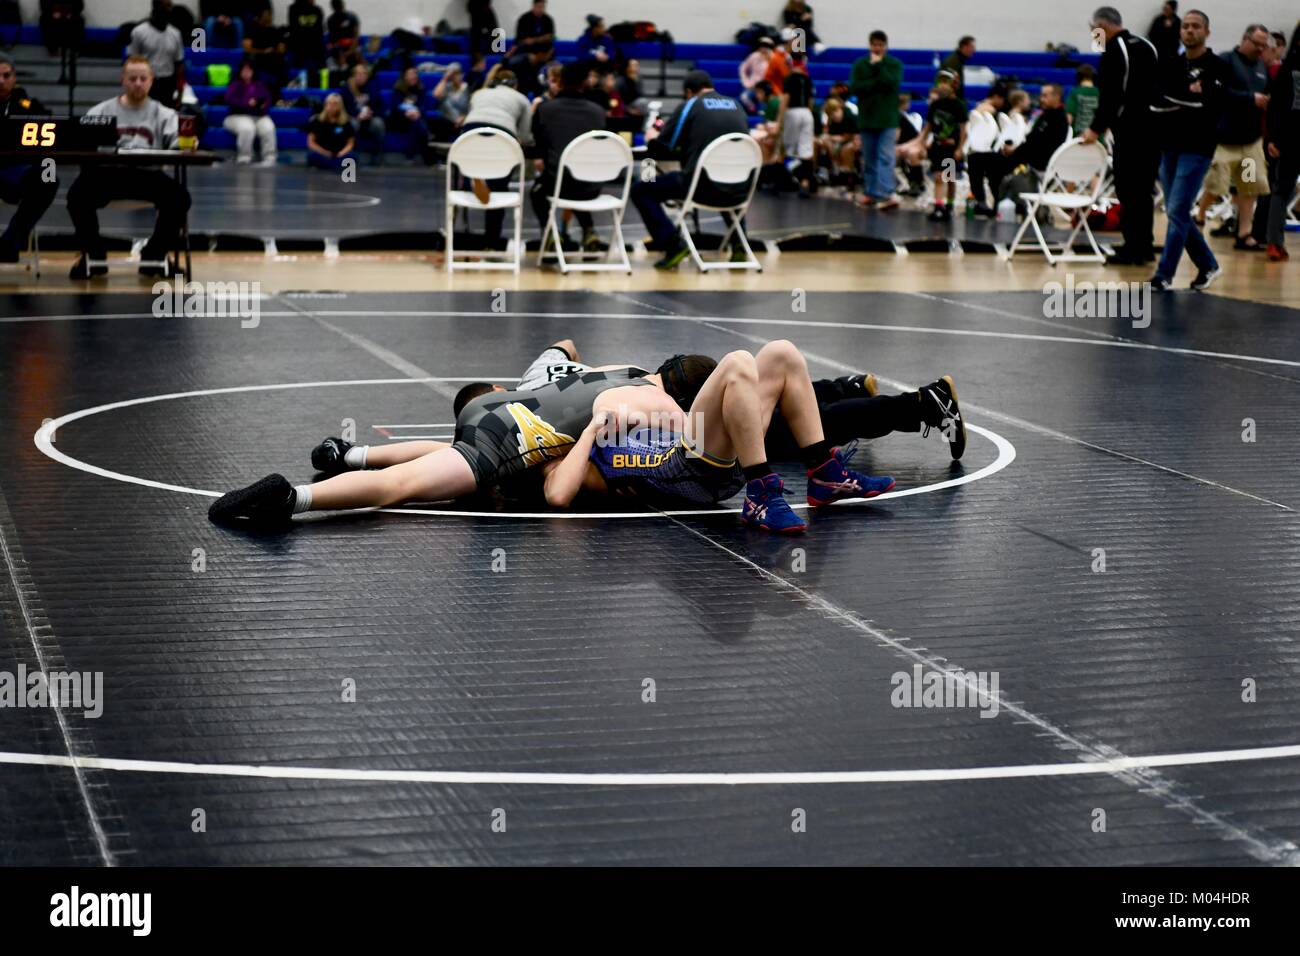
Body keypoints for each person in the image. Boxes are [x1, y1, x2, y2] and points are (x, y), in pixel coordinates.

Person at [209, 341, 895, 535]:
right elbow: (404, 480)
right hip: (658, 452)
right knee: (744, 366)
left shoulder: (545, 384)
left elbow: (415, 457)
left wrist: (350, 455)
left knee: (772, 354)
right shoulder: (624, 397)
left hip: (534, 414)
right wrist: (299, 495)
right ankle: (764, 488)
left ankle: (825, 471)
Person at [66, 56, 189, 280]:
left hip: (148, 176)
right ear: (123, 80)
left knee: (180, 198)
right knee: (76, 196)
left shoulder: (164, 114)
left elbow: (178, 144)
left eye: (143, 78)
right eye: (132, 78)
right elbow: (81, 144)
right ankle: (94, 256)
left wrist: (186, 143)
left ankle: (155, 256)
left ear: (151, 81)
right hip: (109, 176)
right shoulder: (100, 111)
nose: (138, 83)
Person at [630, 70, 754, 270]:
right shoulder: (736, 105)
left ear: (689, 92)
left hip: (702, 187)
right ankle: (739, 243)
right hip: (740, 189)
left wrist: (651, 137)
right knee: (725, 176)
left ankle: (673, 246)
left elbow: (662, 147)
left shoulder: (690, 105)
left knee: (641, 190)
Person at [1148, 9, 1228, 292]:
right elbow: (1157, 101)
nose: (1190, 31)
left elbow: (1210, 106)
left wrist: (1186, 98)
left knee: (1179, 208)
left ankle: (1164, 274)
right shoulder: (1171, 64)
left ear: (1206, 31)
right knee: (1175, 211)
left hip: (1197, 148)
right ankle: (1208, 265)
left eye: (1196, 26)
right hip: (1169, 145)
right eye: (1186, 26)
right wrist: (1186, 96)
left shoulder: (1218, 67)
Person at [1082, 6, 1160, 266]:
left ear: (1102, 26)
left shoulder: (1114, 51)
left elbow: (1112, 96)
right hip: (1153, 131)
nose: (1094, 37)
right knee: (1144, 192)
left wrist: (1096, 128)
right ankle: (1144, 246)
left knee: (1128, 191)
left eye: (1094, 31)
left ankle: (1133, 248)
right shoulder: (1148, 46)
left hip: (1130, 132)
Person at [1197, 24, 1272, 251]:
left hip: (1249, 142)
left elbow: (1266, 93)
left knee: (1248, 187)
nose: (1261, 49)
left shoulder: (1261, 67)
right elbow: (1217, 92)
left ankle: (1244, 234)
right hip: (1225, 140)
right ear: (1245, 39)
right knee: (1216, 185)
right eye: (1257, 44)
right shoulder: (1226, 60)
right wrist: (1250, 99)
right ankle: (1200, 215)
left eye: (1264, 45)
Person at [530, 61, 606, 253]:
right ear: (585, 83)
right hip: (592, 187)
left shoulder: (545, 110)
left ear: (561, 81)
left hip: (558, 185)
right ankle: (589, 231)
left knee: (538, 191)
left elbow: (538, 143)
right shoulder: (598, 113)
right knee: (578, 179)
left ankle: (550, 235)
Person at [458, 67, 533, 249]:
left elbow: (470, 115)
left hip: (470, 133)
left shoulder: (479, 94)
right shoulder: (522, 99)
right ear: (515, 86)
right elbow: (525, 136)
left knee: (471, 169)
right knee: (499, 190)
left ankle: (471, 179)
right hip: (503, 135)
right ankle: (490, 242)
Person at [0, 53, 59, 262]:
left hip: (17, 172)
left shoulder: (31, 106)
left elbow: (49, 141)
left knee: (49, 178)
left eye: (6, 75)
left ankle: (9, 243)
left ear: (14, 78)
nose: (1, 81)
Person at [851, 30, 903, 210]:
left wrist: (879, 67)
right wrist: (876, 82)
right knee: (869, 158)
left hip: (887, 119)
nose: (877, 48)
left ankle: (887, 193)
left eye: (881, 45)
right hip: (867, 119)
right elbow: (856, 88)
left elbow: (892, 83)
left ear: (886, 46)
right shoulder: (860, 65)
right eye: (874, 45)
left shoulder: (894, 64)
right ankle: (871, 192)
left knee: (886, 157)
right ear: (870, 45)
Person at [1264, 24, 1300, 261]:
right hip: (1291, 137)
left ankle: (1273, 242)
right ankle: (1273, 242)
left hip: (1288, 136)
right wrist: (1272, 138)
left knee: (1281, 190)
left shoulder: (1288, 67)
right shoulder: (1288, 68)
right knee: (1280, 189)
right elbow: (1276, 105)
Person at [913, 72, 968, 221]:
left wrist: (959, 148)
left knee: (949, 178)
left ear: (953, 85)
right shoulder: (935, 105)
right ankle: (938, 206)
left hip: (950, 149)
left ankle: (949, 205)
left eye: (946, 82)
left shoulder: (958, 105)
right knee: (939, 177)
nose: (943, 85)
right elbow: (928, 126)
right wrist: (922, 144)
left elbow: (964, 130)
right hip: (938, 147)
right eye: (940, 82)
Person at [128, 0, 184, 106]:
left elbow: (179, 66)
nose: (169, 9)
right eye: (166, 6)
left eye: (170, 6)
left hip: (167, 84)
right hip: (145, 83)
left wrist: (180, 94)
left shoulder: (176, 34)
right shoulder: (139, 32)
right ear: (156, 8)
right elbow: (132, 63)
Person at [223, 58, 277, 165]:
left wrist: (262, 105)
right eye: (244, 70)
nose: (247, 73)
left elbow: (267, 99)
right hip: (237, 116)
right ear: (240, 71)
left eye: (249, 70)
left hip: (258, 116)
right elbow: (231, 101)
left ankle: (269, 158)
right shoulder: (234, 85)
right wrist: (247, 103)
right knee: (247, 128)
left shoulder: (259, 85)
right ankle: (244, 157)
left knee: (269, 127)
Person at [779, 53, 816, 197]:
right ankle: (805, 181)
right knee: (806, 149)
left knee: (789, 147)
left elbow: (786, 98)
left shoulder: (789, 79)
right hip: (806, 113)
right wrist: (809, 113)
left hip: (793, 112)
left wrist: (780, 119)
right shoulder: (807, 79)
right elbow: (811, 100)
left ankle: (788, 178)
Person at [340, 62, 384, 165]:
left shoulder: (373, 87)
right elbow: (343, 109)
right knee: (353, 124)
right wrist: (357, 115)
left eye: (364, 74)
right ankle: (352, 154)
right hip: (353, 117)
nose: (361, 77)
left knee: (379, 123)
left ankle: (377, 155)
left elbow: (380, 107)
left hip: (369, 119)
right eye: (358, 74)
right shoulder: (347, 88)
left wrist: (371, 113)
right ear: (353, 76)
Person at [389, 66, 432, 163]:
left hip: (415, 118)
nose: (413, 76)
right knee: (419, 126)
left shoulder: (421, 89)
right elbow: (394, 107)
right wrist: (406, 113)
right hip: (400, 119)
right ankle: (428, 157)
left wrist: (417, 112)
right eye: (410, 74)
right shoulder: (398, 89)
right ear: (404, 77)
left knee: (415, 124)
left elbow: (423, 106)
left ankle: (410, 156)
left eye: (414, 74)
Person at [306, 91, 356, 170]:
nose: (331, 107)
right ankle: (334, 166)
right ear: (325, 105)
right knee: (312, 156)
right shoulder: (317, 121)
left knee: (352, 157)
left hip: (340, 154)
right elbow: (311, 142)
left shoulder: (346, 122)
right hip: (323, 153)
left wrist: (341, 153)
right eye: (329, 104)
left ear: (340, 106)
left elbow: (350, 143)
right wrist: (324, 152)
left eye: (335, 104)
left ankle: (331, 165)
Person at [244, 7, 287, 97]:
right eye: (266, 15)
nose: (268, 18)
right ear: (259, 17)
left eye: (269, 15)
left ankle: (277, 91)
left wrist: (273, 50)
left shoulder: (275, 31)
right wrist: (263, 51)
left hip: (272, 59)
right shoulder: (253, 31)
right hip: (258, 58)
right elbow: (247, 48)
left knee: (282, 61)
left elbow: (282, 49)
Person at [286, 0, 326, 80]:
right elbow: (294, 30)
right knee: (297, 60)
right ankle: (298, 83)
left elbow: (320, 30)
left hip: (315, 44)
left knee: (321, 59)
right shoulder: (294, 9)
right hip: (299, 45)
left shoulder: (317, 10)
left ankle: (322, 83)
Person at [432, 62, 471, 140]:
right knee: (444, 103)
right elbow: (436, 95)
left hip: (463, 120)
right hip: (449, 121)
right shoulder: (447, 87)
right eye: (453, 75)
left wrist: (463, 117)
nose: (455, 77)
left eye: (457, 74)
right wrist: (445, 79)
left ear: (462, 75)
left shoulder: (468, 88)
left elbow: (470, 107)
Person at [740, 37, 775, 114]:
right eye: (762, 45)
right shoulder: (754, 56)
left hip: (767, 87)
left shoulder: (774, 58)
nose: (764, 48)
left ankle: (763, 110)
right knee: (744, 97)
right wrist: (746, 82)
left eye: (767, 46)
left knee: (767, 98)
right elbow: (743, 68)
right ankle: (752, 109)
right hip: (753, 86)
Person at [1065, 64, 1100, 136]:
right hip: (1096, 138)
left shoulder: (1075, 92)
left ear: (1078, 77)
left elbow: (1069, 119)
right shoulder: (1100, 93)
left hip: (1079, 138)